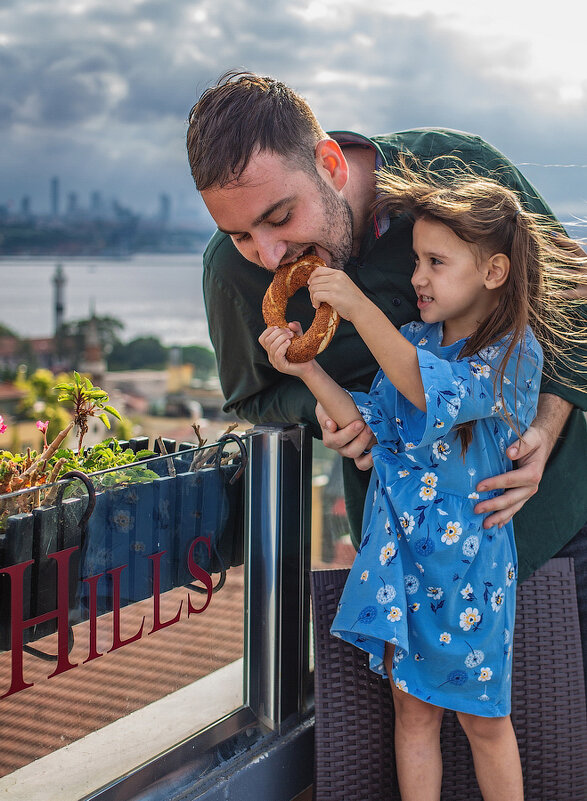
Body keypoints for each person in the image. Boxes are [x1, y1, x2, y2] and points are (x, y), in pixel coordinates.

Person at [186, 71, 587, 678]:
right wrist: (321, 411)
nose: (268, 255)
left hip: (559, 520)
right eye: (239, 233)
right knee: (435, 737)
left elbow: (573, 297)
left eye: (280, 216)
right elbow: (253, 397)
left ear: (330, 164)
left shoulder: (460, 171)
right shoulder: (230, 274)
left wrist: (548, 425)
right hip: (415, 557)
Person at [258, 166, 585, 800]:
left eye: (436, 262)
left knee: (486, 722)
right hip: (402, 565)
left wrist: (355, 302)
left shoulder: (513, 355)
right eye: (415, 260)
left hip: (469, 577)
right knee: (413, 717)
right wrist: (302, 369)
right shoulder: (411, 339)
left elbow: (425, 389)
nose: (416, 278)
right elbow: (371, 424)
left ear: (492, 272)